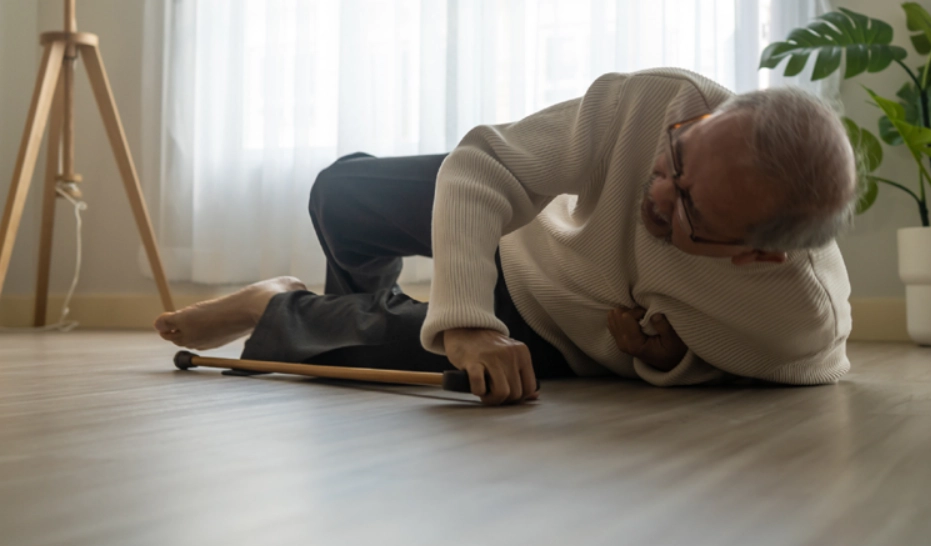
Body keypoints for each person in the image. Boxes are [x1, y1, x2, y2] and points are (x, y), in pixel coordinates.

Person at [156, 68, 857, 406]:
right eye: (676, 156)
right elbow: (483, 164)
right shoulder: (665, 102)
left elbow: (752, 361)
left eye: (690, 209)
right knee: (339, 194)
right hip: (526, 237)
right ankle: (356, 315)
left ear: (757, 253)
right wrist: (463, 318)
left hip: (552, 333)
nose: (659, 190)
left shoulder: (795, 320)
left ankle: (281, 304)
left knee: (422, 368)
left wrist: (671, 355)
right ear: (711, 118)